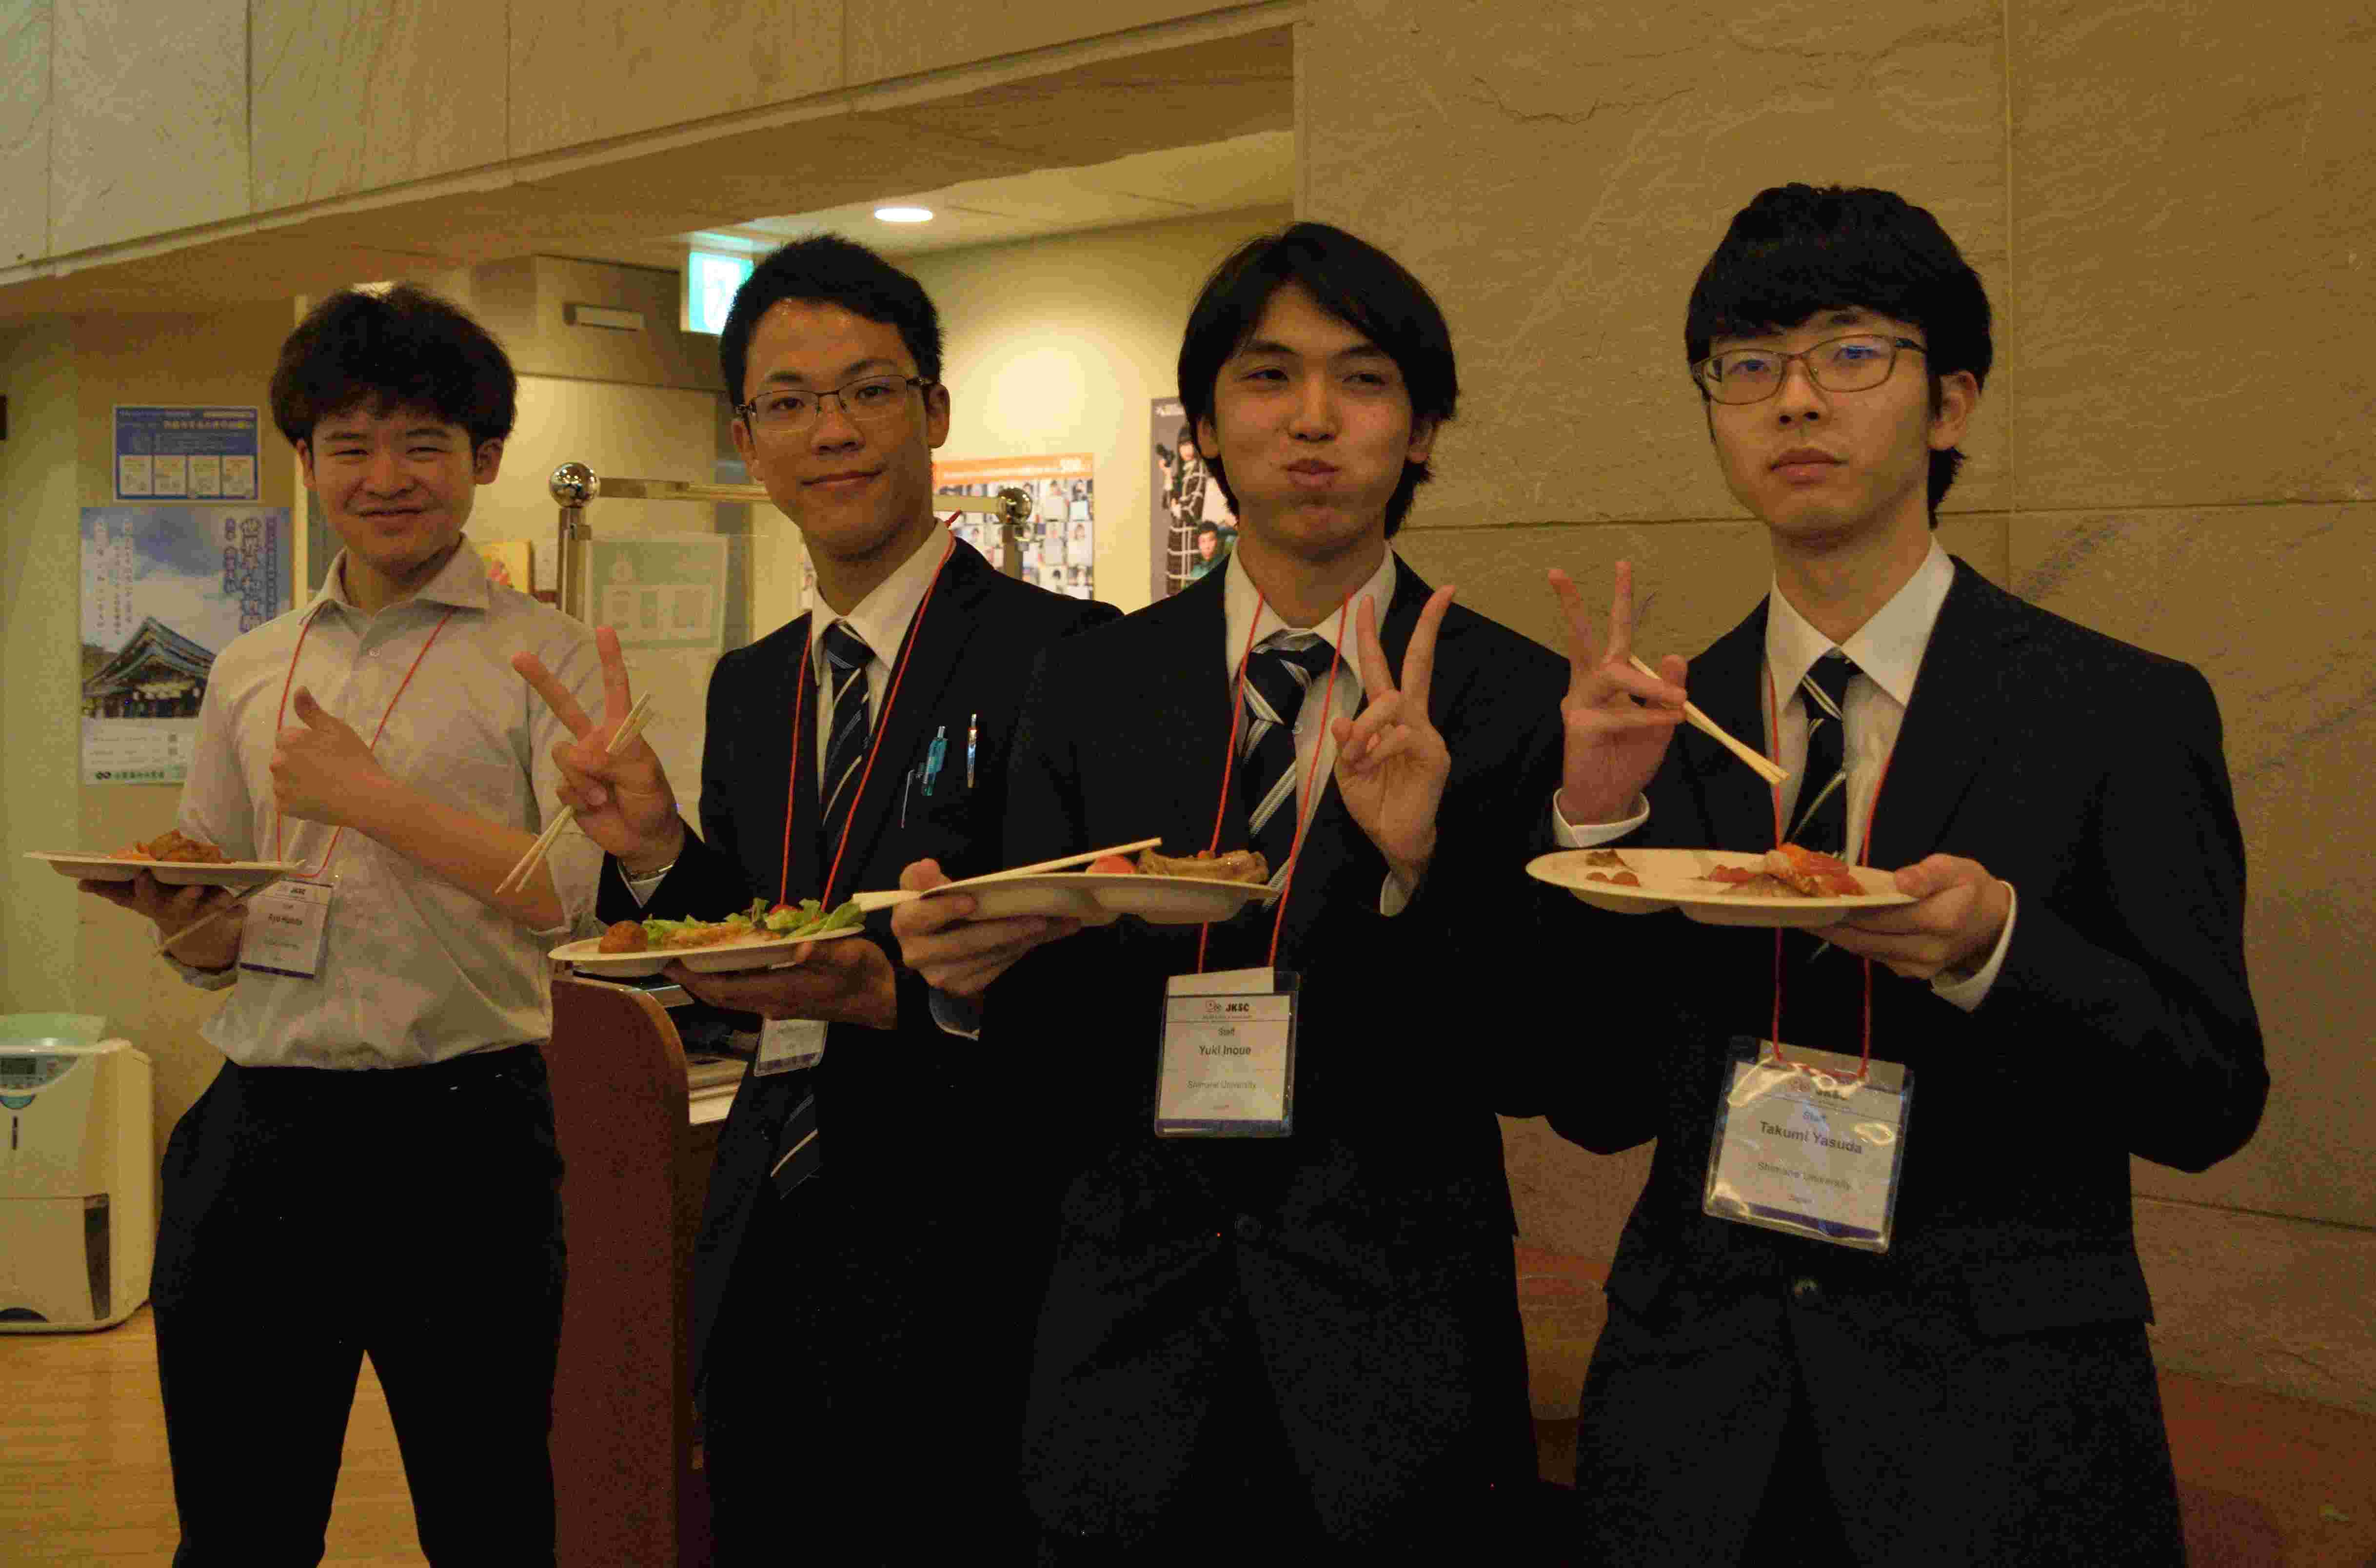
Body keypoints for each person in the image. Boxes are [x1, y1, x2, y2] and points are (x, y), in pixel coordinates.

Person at [1544, 183, 2267, 1566]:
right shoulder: (1659, 723)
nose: (1795, 400)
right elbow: (1590, 1101)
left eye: (1853, 352)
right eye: (1747, 366)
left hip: (2003, 1432)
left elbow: (2208, 1098)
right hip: (1699, 1428)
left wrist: (1999, 949)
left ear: (1951, 403)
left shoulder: (2115, 710)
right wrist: (1596, 823)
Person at [896, 221, 1564, 1558]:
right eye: (1268, 377)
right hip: (1130, 1337)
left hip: (1399, 1350)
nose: (1313, 419)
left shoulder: (1510, 694)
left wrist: (1419, 868)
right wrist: (971, 984)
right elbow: (1049, 1045)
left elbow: (1540, 1051)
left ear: (1423, 431)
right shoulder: (1091, 682)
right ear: (1205, 424)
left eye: (1363, 380)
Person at [518, 235, 1116, 1563]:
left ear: (935, 412)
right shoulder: (753, 684)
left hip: (987, 1246)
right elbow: (756, 926)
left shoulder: (1070, 657)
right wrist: (656, 848)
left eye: (868, 392)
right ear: (747, 442)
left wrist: (902, 997)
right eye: (789, 403)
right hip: (774, 1233)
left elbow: (1107, 978)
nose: (831, 432)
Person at [80, 284, 603, 1566]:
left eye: (423, 443)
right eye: (349, 445)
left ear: (484, 459)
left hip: (464, 1135)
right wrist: (181, 916)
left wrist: (375, 801)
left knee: (488, 1518)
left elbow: (576, 896)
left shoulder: (548, 656)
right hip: (261, 1128)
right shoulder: (252, 663)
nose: (385, 478)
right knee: (238, 1528)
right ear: (306, 461)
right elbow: (220, 922)